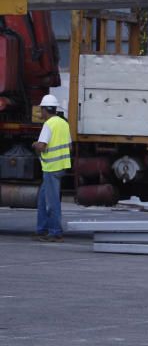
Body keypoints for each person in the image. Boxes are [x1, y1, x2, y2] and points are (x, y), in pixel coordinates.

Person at [32, 95, 72, 243]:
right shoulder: (63, 123)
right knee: (43, 200)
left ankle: (55, 232)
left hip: (51, 168)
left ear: (44, 110)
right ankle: (41, 230)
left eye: (41, 109)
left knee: (51, 202)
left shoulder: (48, 125)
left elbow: (42, 146)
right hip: (60, 167)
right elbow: (69, 146)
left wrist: (34, 144)